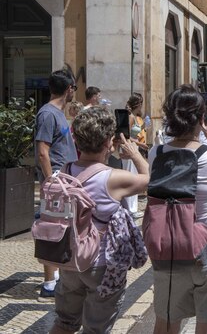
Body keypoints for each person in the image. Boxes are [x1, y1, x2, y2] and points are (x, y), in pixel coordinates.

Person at [148, 85, 207, 334]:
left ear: (169, 118)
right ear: (202, 118)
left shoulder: (155, 154)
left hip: (172, 249)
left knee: (166, 323)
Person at [49, 107, 149, 334]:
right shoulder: (112, 178)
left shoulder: (65, 170)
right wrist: (134, 154)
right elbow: (148, 181)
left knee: (64, 324)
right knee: (96, 329)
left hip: (69, 260)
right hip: (100, 266)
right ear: (108, 142)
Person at [35, 68, 79, 300]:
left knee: (63, 228)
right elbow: (43, 151)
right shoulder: (48, 114)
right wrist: (51, 180)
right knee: (51, 228)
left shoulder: (59, 113)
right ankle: (49, 282)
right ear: (69, 89)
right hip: (55, 183)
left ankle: (58, 275)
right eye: (74, 88)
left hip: (64, 181)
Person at [123, 93, 149, 219]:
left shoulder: (133, 116)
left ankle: (131, 207)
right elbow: (128, 137)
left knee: (133, 175)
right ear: (138, 104)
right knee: (131, 176)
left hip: (134, 147)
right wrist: (141, 144)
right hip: (131, 148)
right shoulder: (131, 117)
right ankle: (130, 208)